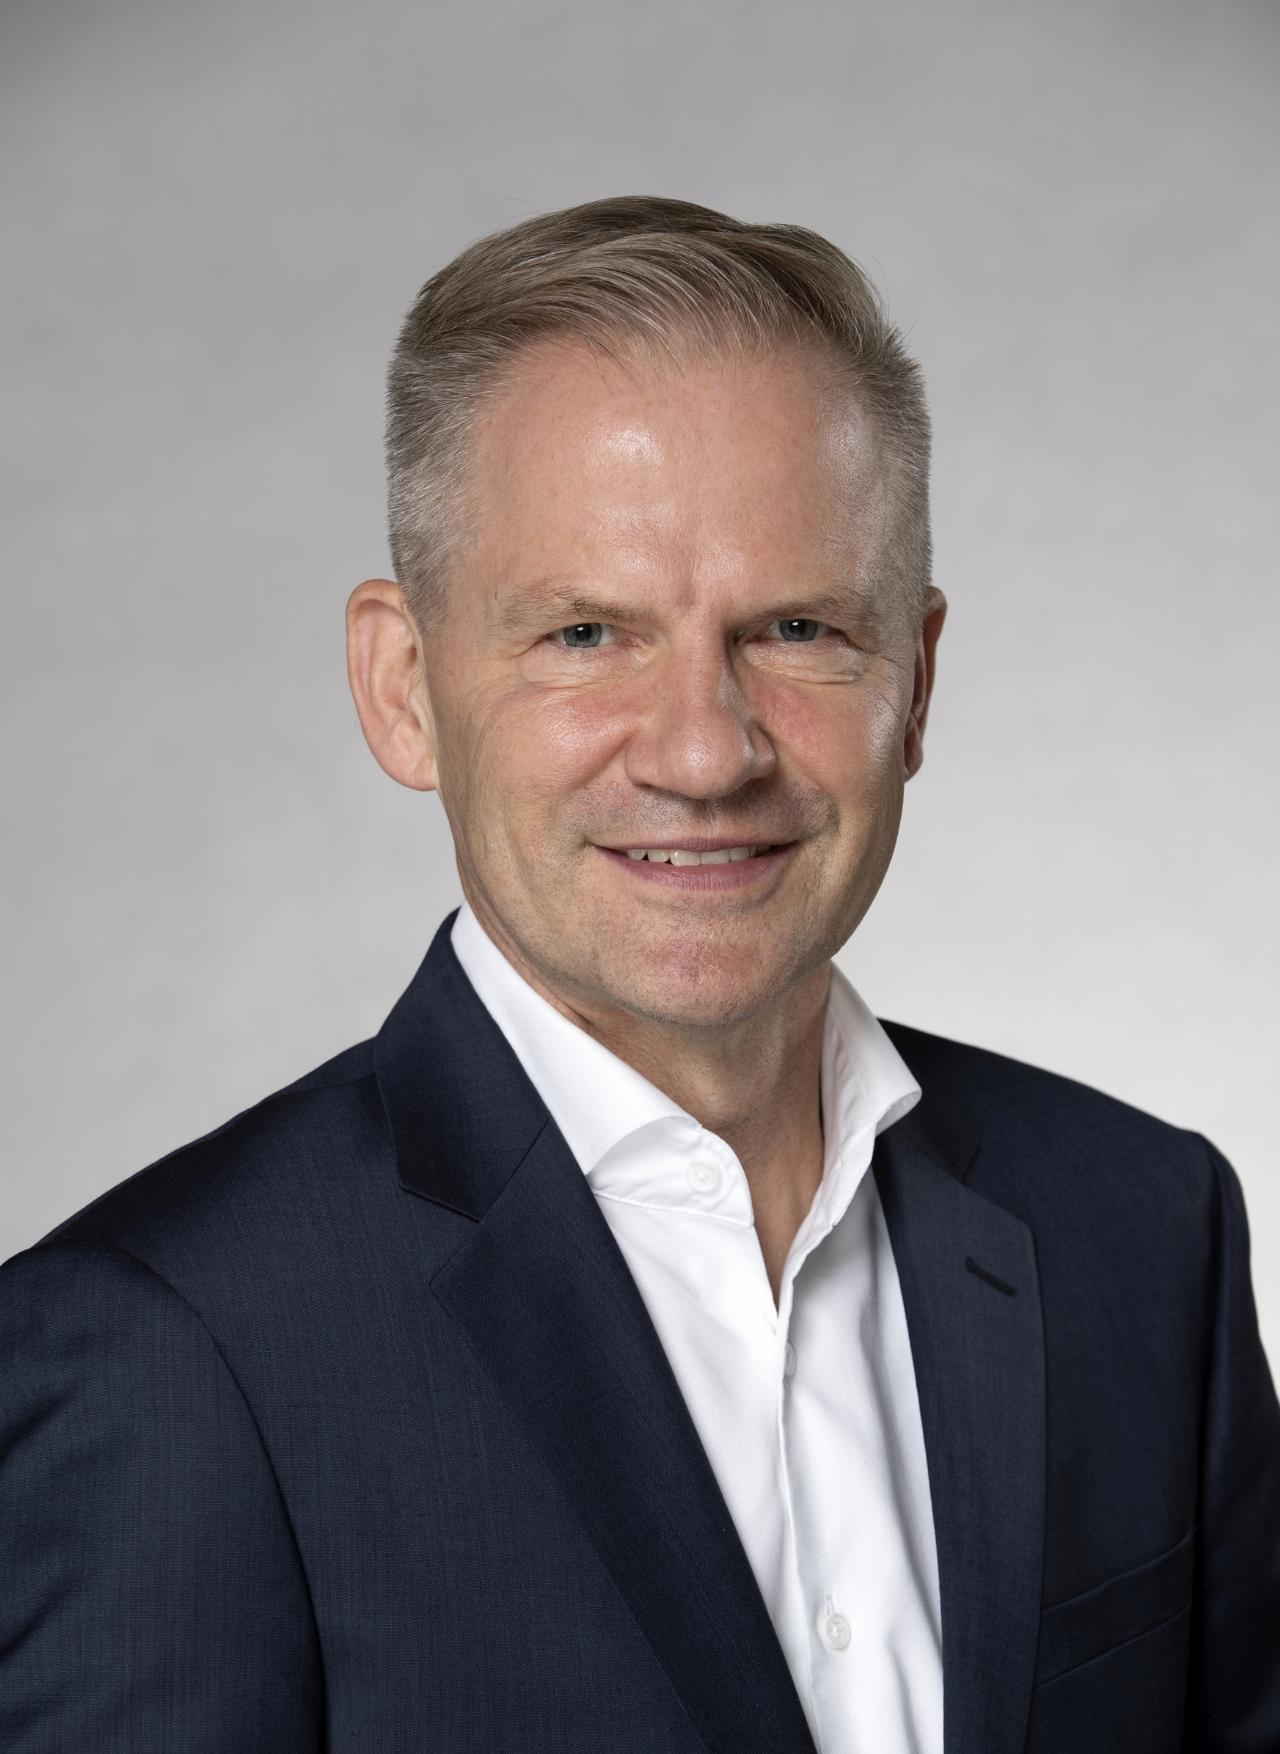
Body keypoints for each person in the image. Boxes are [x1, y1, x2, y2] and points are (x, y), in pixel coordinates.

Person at [1, 195, 1276, 1754]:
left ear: (918, 682)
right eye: (587, 634)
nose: (703, 752)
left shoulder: (1144, 1235)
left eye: (795, 627)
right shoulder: (171, 1352)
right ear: (404, 689)